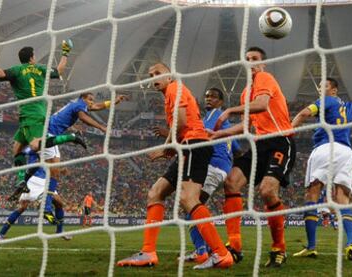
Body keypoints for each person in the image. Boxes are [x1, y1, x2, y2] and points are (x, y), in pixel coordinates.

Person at [116, 63, 233, 269]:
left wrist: (166, 147)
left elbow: (180, 121)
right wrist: (171, 145)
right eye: (151, 75)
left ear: (170, 76)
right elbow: (178, 125)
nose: (154, 78)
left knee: (188, 199)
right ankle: (149, 252)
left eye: (158, 73)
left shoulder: (173, 88)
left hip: (194, 145)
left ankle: (221, 253)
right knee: (156, 192)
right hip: (188, 146)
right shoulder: (172, 91)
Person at [210, 46, 296, 267]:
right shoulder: (245, 92)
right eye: (247, 59)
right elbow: (247, 125)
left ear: (263, 63)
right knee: (231, 182)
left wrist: (228, 111)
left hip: (280, 140)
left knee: (267, 191)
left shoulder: (265, 77)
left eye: (255, 59)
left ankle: (279, 248)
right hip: (259, 144)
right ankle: (235, 245)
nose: (251, 62)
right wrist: (221, 133)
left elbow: (261, 105)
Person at [0, 40, 85, 194]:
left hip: (30, 114)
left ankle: (71, 137)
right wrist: (65, 53)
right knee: (17, 149)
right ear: (32, 57)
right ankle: (21, 181)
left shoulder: (17, 70)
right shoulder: (39, 68)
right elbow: (59, 71)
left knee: (35, 145)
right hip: (33, 114)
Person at [292, 77, 352, 260]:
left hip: (325, 148)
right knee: (342, 199)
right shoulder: (351, 106)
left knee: (312, 195)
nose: (320, 90)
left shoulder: (325, 101)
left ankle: (312, 247)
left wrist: (286, 132)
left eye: (324, 86)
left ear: (334, 90)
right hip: (345, 152)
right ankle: (351, 244)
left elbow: (304, 113)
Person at [154, 87, 242, 264]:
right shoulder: (224, 123)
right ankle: (208, 250)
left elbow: (200, 136)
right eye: (207, 96)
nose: (208, 99)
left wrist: (170, 136)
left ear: (221, 102)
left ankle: (207, 252)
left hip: (213, 165)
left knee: (192, 205)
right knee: (192, 205)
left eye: (213, 97)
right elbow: (237, 150)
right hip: (221, 167)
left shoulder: (214, 115)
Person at [17, 92, 127, 225]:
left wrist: (115, 101)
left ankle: (26, 184)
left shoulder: (76, 104)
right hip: (49, 134)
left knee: (48, 167)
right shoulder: (79, 105)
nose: (92, 102)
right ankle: (45, 207)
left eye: (92, 100)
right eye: (90, 100)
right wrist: (101, 127)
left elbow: (97, 106)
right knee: (54, 172)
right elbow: (83, 117)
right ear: (83, 98)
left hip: (48, 133)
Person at [0, 154, 71, 241]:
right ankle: (59, 229)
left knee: (22, 208)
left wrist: (60, 170)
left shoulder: (35, 151)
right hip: (38, 180)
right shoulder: (42, 150)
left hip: (34, 180)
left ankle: (1, 234)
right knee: (58, 203)